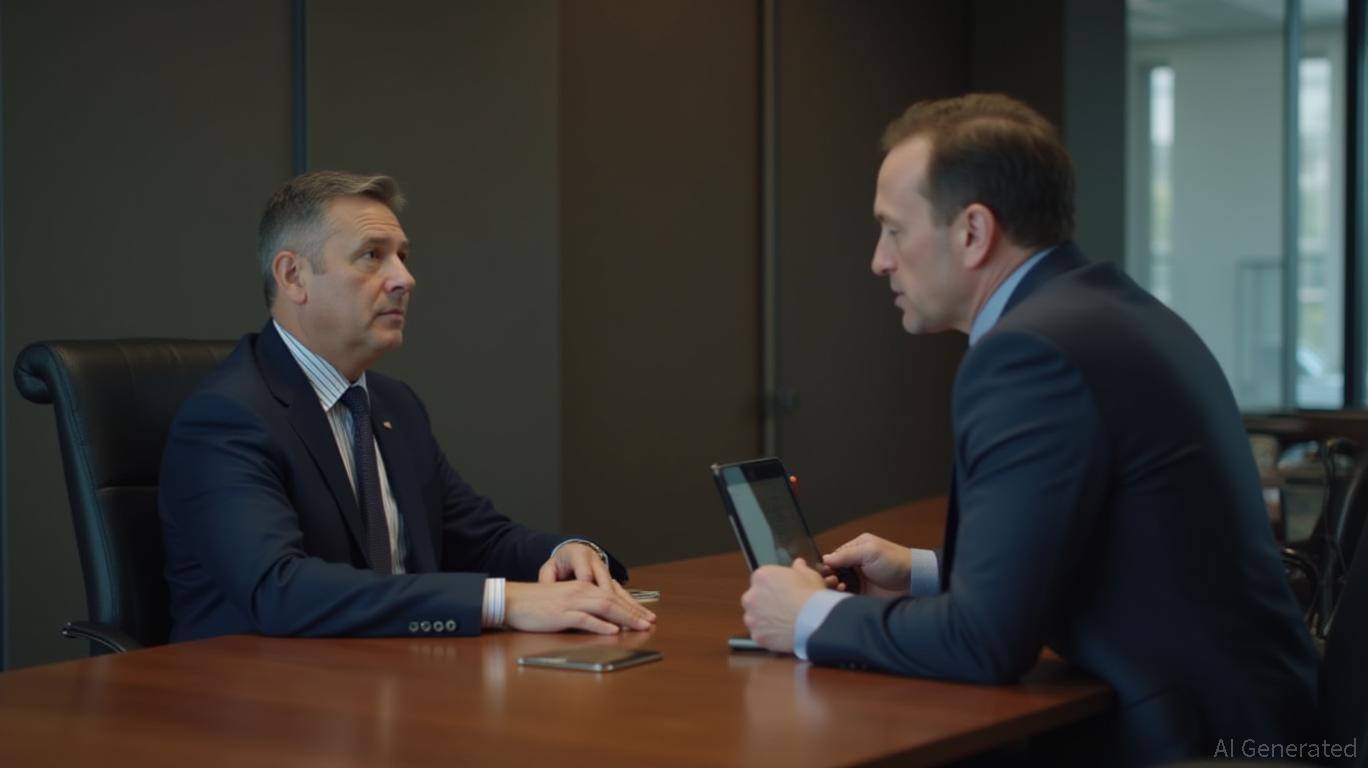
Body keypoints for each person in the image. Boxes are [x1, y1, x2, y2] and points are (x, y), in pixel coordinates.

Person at [740, 94, 1318, 762]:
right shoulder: (1112, 312)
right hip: (1253, 718)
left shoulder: (1028, 355)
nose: (879, 260)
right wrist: (923, 572)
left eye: (893, 230)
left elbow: (985, 645)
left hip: (1195, 745)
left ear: (973, 232)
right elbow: (1112, 555)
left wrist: (808, 617)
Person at [161, 171, 655, 642]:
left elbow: (479, 541)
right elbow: (279, 589)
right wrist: (500, 602)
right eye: (372, 256)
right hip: (261, 686)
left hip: (393, 674)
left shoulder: (393, 405)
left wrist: (567, 553)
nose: (404, 278)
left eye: (402, 256)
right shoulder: (227, 417)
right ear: (293, 276)